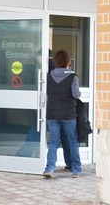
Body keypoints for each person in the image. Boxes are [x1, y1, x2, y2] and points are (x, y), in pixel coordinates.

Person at [43, 49, 81, 178]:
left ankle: (50, 168)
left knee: (53, 142)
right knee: (73, 141)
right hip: (68, 115)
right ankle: (76, 170)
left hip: (52, 114)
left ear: (56, 62)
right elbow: (76, 95)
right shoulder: (73, 77)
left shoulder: (48, 76)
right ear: (68, 62)